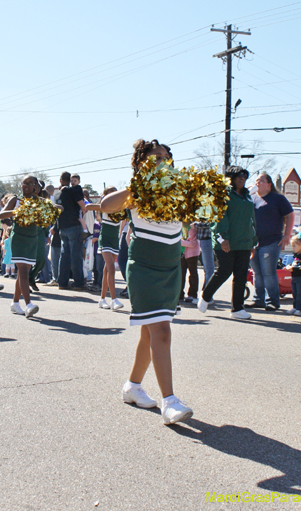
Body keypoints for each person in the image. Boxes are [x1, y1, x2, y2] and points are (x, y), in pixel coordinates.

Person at [102, 139, 192, 425]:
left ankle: (133, 387)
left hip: (170, 269)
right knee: (161, 332)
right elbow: (105, 206)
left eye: (166, 158)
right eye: (155, 158)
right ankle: (170, 402)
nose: (162, 162)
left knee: (149, 333)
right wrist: (138, 186)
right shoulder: (136, 194)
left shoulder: (178, 192)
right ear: (141, 164)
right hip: (143, 268)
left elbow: (201, 214)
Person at [198, 166, 257, 320]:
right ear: (231, 178)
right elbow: (219, 217)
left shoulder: (247, 196)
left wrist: (253, 241)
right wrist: (223, 238)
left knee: (241, 275)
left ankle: (237, 309)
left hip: (244, 241)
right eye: (239, 177)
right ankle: (205, 295)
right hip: (226, 241)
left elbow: (251, 219)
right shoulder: (222, 195)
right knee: (224, 271)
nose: (242, 179)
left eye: (245, 177)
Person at [248, 173, 295, 311]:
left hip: (272, 241)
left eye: (261, 181)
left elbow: (290, 215)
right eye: (256, 181)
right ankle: (258, 299)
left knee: (268, 272)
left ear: (269, 185)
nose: (258, 183)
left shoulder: (278, 199)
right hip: (253, 242)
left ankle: (273, 301)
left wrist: (287, 234)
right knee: (256, 272)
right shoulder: (251, 198)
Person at [0, 176, 41, 318]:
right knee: (23, 272)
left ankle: (15, 303)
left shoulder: (39, 202)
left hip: (32, 239)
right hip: (19, 238)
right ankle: (29, 304)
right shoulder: (15, 200)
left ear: (36, 186)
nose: (27, 186)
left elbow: (51, 213)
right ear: (21, 185)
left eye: (30, 183)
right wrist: (17, 211)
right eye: (25, 183)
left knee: (23, 273)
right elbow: (1, 214)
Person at [85, 187, 123, 310]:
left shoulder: (121, 208)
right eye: (110, 194)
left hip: (115, 241)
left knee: (107, 270)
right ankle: (114, 300)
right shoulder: (104, 206)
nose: (113, 196)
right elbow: (88, 206)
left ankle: (102, 299)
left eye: (115, 194)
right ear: (105, 195)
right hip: (105, 239)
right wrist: (102, 205)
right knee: (111, 268)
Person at [56, 172, 87, 290]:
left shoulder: (58, 193)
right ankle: (79, 283)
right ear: (70, 180)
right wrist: (84, 209)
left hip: (62, 227)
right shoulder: (73, 191)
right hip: (74, 225)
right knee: (76, 256)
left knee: (64, 256)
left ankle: (62, 283)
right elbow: (81, 204)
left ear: (60, 181)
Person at [286, 232, 301, 316]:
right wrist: (289, 266)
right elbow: (294, 263)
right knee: (294, 293)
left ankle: (300, 308)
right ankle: (295, 307)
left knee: (300, 294)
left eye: (294, 246)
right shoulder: (296, 255)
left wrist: (293, 268)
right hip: (294, 277)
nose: (293, 248)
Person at [180, 223, 200, 304]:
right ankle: (180, 293)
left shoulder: (192, 229)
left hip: (192, 254)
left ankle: (192, 294)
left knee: (193, 274)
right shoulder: (179, 228)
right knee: (181, 274)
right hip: (181, 253)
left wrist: (180, 242)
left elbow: (192, 243)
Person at [192, 221, 214, 289]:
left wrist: (196, 225)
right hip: (203, 240)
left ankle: (206, 294)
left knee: (209, 269)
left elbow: (210, 223)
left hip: (207, 239)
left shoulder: (211, 211)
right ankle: (206, 292)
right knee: (207, 269)